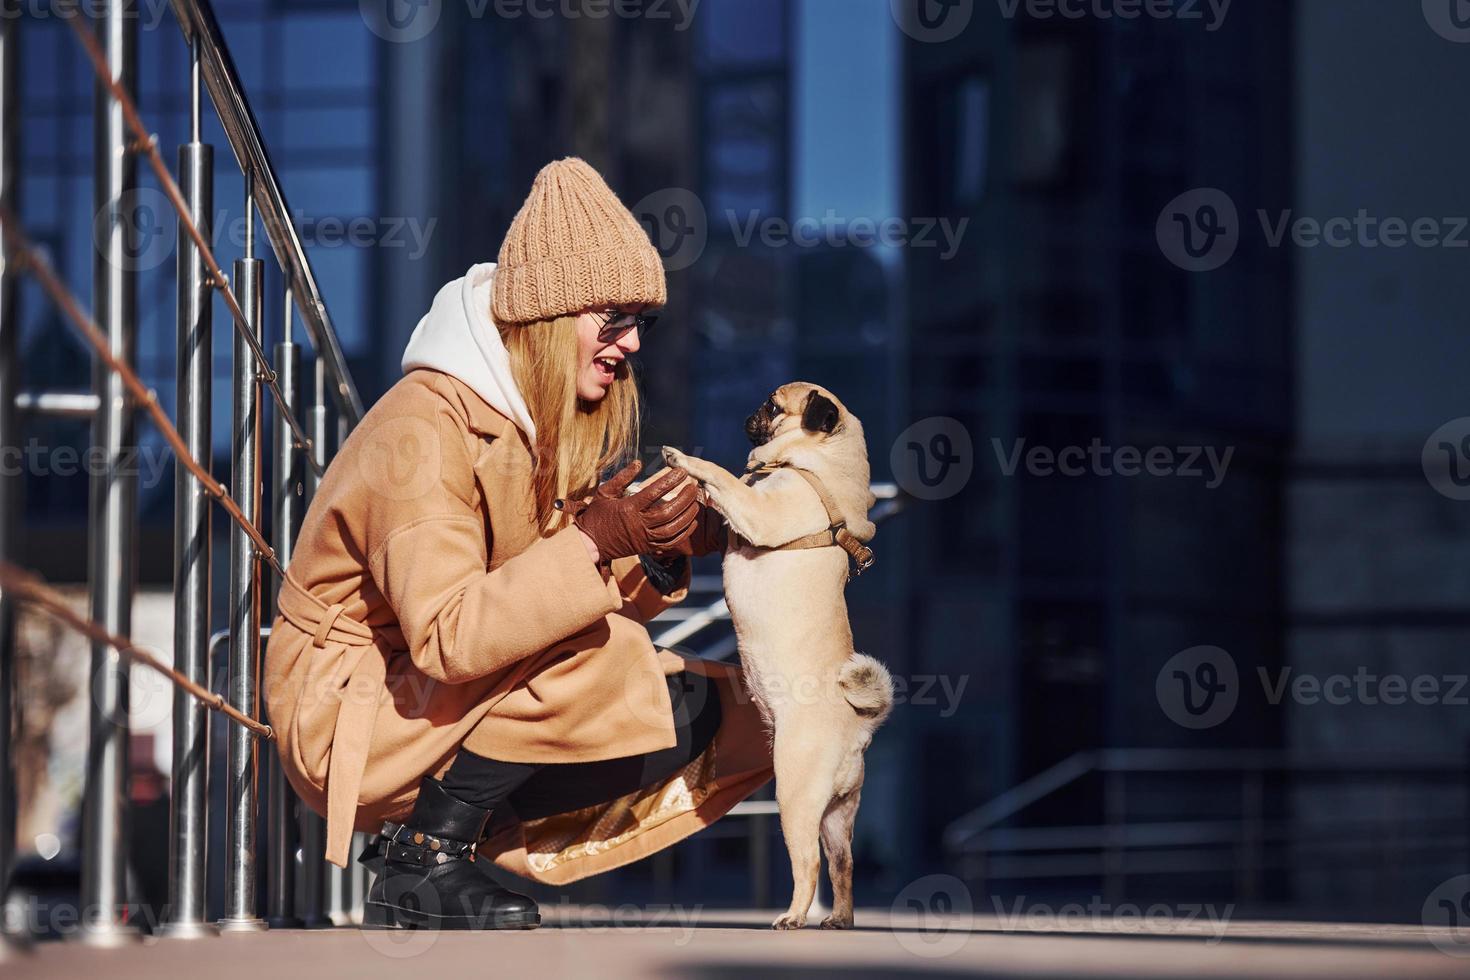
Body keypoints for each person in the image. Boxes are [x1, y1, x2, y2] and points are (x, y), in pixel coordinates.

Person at [264, 158, 773, 931]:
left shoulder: (525, 419)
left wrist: (660, 549)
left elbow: (546, 605)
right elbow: (452, 635)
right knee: (608, 666)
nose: (632, 342)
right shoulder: (423, 432)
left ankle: (442, 843)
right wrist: (596, 542)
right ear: (549, 315)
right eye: (615, 317)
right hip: (348, 716)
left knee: (752, 717)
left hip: (430, 701)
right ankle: (424, 858)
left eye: (644, 321)